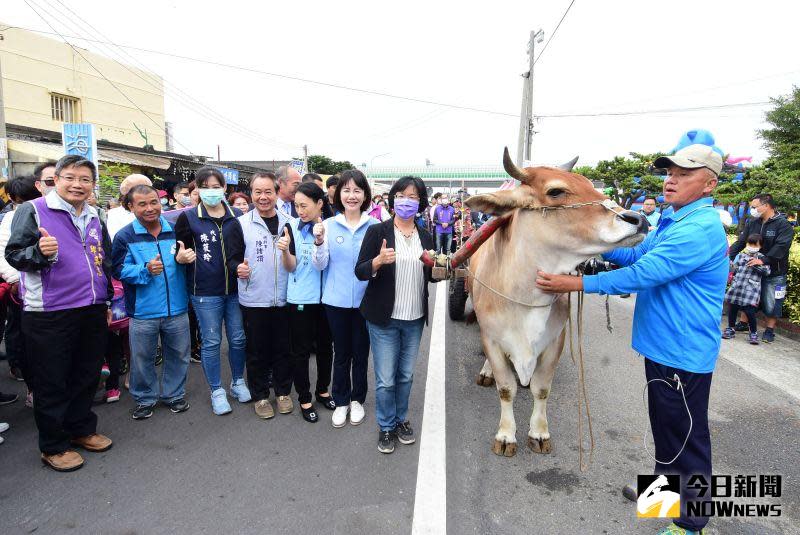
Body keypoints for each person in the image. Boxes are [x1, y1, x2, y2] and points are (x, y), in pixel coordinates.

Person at [535, 144, 728, 535]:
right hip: (664, 346)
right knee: (667, 428)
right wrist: (594, 248)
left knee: (687, 436)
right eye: (669, 172)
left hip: (682, 351)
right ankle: (663, 495)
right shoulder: (674, 221)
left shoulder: (699, 228)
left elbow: (645, 274)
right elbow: (637, 255)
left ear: (709, 184)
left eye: (683, 174)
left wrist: (578, 282)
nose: (671, 180)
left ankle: (692, 523)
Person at [6, 154, 115, 472]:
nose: (77, 184)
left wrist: (106, 301)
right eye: (70, 177)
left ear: (92, 184)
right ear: (56, 179)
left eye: (84, 179)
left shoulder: (95, 215)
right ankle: (53, 445)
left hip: (91, 307)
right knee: (52, 378)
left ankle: (81, 429)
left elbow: (103, 261)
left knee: (87, 373)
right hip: (49, 311)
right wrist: (38, 253)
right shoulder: (34, 210)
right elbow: (14, 255)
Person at [356, 176, 436, 453]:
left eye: (413, 197)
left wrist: (441, 268)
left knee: (405, 375)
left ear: (420, 203)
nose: (406, 201)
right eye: (401, 195)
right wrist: (377, 262)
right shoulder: (377, 232)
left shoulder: (426, 236)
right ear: (392, 199)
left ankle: (401, 419)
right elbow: (361, 270)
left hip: (414, 318)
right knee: (386, 378)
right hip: (384, 319)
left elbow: (432, 275)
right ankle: (386, 426)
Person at [174, 166, 250, 415]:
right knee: (212, 341)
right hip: (205, 291)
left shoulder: (237, 214)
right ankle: (216, 390)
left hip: (236, 289)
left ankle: (237, 382)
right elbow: (178, 251)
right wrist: (181, 257)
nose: (211, 191)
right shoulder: (188, 217)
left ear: (225, 188)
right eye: (205, 187)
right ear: (197, 189)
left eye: (216, 186)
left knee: (238, 338)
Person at [112, 185, 192, 420]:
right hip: (143, 310)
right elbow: (117, 269)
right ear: (130, 207)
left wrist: (183, 259)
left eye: (153, 202)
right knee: (142, 358)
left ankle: (174, 395)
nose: (150, 208)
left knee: (178, 354)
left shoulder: (175, 230)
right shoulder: (124, 236)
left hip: (177, 306)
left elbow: (186, 257)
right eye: (142, 204)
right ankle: (145, 398)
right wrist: (144, 270)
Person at [312, 169, 378, 428]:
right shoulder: (327, 226)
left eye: (357, 190)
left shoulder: (374, 226)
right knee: (341, 353)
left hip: (365, 302)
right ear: (338, 194)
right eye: (347, 190)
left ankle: (357, 400)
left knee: (361, 353)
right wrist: (318, 243)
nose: (352, 195)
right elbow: (320, 265)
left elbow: (378, 266)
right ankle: (341, 401)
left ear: (365, 195)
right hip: (335, 301)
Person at [234, 172, 293, 419]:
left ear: (277, 191)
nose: (263, 197)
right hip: (254, 298)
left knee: (283, 347)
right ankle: (260, 396)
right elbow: (232, 259)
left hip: (285, 298)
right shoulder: (240, 224)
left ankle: (282, 392)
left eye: (268, 191)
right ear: (251, 194)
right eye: (258, 192)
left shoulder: (289, 222)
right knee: (257, 350)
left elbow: (296, 259)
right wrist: (238, 268)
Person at [283, 182, 335, 423]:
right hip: (301, 298)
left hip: (329, 298)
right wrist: (284, 251)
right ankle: (304, 398)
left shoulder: (332, 227)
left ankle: (323, 390)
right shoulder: (291, 227)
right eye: (296, 206)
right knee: (301, 351)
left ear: (320, 204)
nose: (300, 211)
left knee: (326, 347)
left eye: (304, 206)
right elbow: (290, 266)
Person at [728, 193, 794, 343]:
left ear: (766, 206)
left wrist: (763, 260)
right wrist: (728, 255)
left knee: (772, 302)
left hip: (775, 271)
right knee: (748, 298)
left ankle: (769, 330)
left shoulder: (783, 225)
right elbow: (742, 241)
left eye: (754, 206)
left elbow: (781, 247)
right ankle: (744, 324)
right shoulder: (753, 222)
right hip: (752, 270)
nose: (752, 209)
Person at [0, 177, 42, 401]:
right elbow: (5, 253)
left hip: (55, 293)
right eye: (18, 201)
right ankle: (31, 388)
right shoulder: (10, 219)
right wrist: (14, 279)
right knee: (24, 338)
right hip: (23, 291)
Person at [722, 233, 770, 344]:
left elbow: (767, 272)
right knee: (732, 308)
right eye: (750, 244)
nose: (751, 247)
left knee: (750, 311)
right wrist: (729, 264)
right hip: (737, 286)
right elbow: (733, 269)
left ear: (760, 246)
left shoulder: (762, 258)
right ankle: (730, 328)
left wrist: (756, 265)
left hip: (751, 290)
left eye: (755, 245)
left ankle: (753, 333)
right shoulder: (741, 255)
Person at [106, 174, 152, 240]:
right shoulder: (114, 214)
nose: (144, 193)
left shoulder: (155, 210)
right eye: (138, 190)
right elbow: (116, 239)